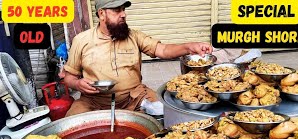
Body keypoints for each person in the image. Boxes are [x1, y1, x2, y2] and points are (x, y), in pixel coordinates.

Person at [63, 0, 213, 117]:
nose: (123, 14)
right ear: (101, 14)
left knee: (168, 114)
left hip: (134, 97)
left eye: (123, 9)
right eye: (117, 10)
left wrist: (190, 47)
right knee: (71, 126)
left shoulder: (134, 36)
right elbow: (69, 77)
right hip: (94, 101)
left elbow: (163, 50)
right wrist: (77, 83)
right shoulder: (81, 40)